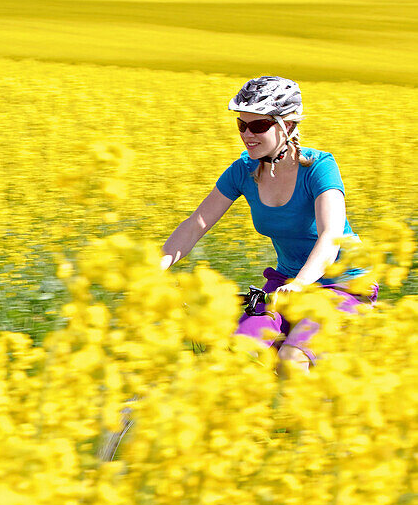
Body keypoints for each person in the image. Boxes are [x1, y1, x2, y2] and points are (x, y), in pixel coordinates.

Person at [160, 75, 375, 369]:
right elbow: (197, 223)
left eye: (259, 125)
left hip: (344, 284)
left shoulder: (319, 168)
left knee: (291, 359)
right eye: (242, 125)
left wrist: (301, 284)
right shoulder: (243, 171)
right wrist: (155, 268)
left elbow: (330, 236)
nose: (248, 134)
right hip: (286, 283)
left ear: (286, 125)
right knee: (237, 354)